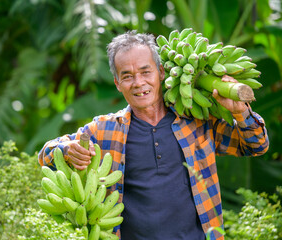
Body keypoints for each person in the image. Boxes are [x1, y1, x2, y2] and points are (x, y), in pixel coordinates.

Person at [38, 31, 269, 240]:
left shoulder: (197, 121)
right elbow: (45, 155)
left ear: (160, 72)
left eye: (145, 71)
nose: (138, 83)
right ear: (118, 84)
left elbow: (256, 145)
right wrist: (66, 151)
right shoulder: (106, 129)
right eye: (127, 76)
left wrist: (241, 112)